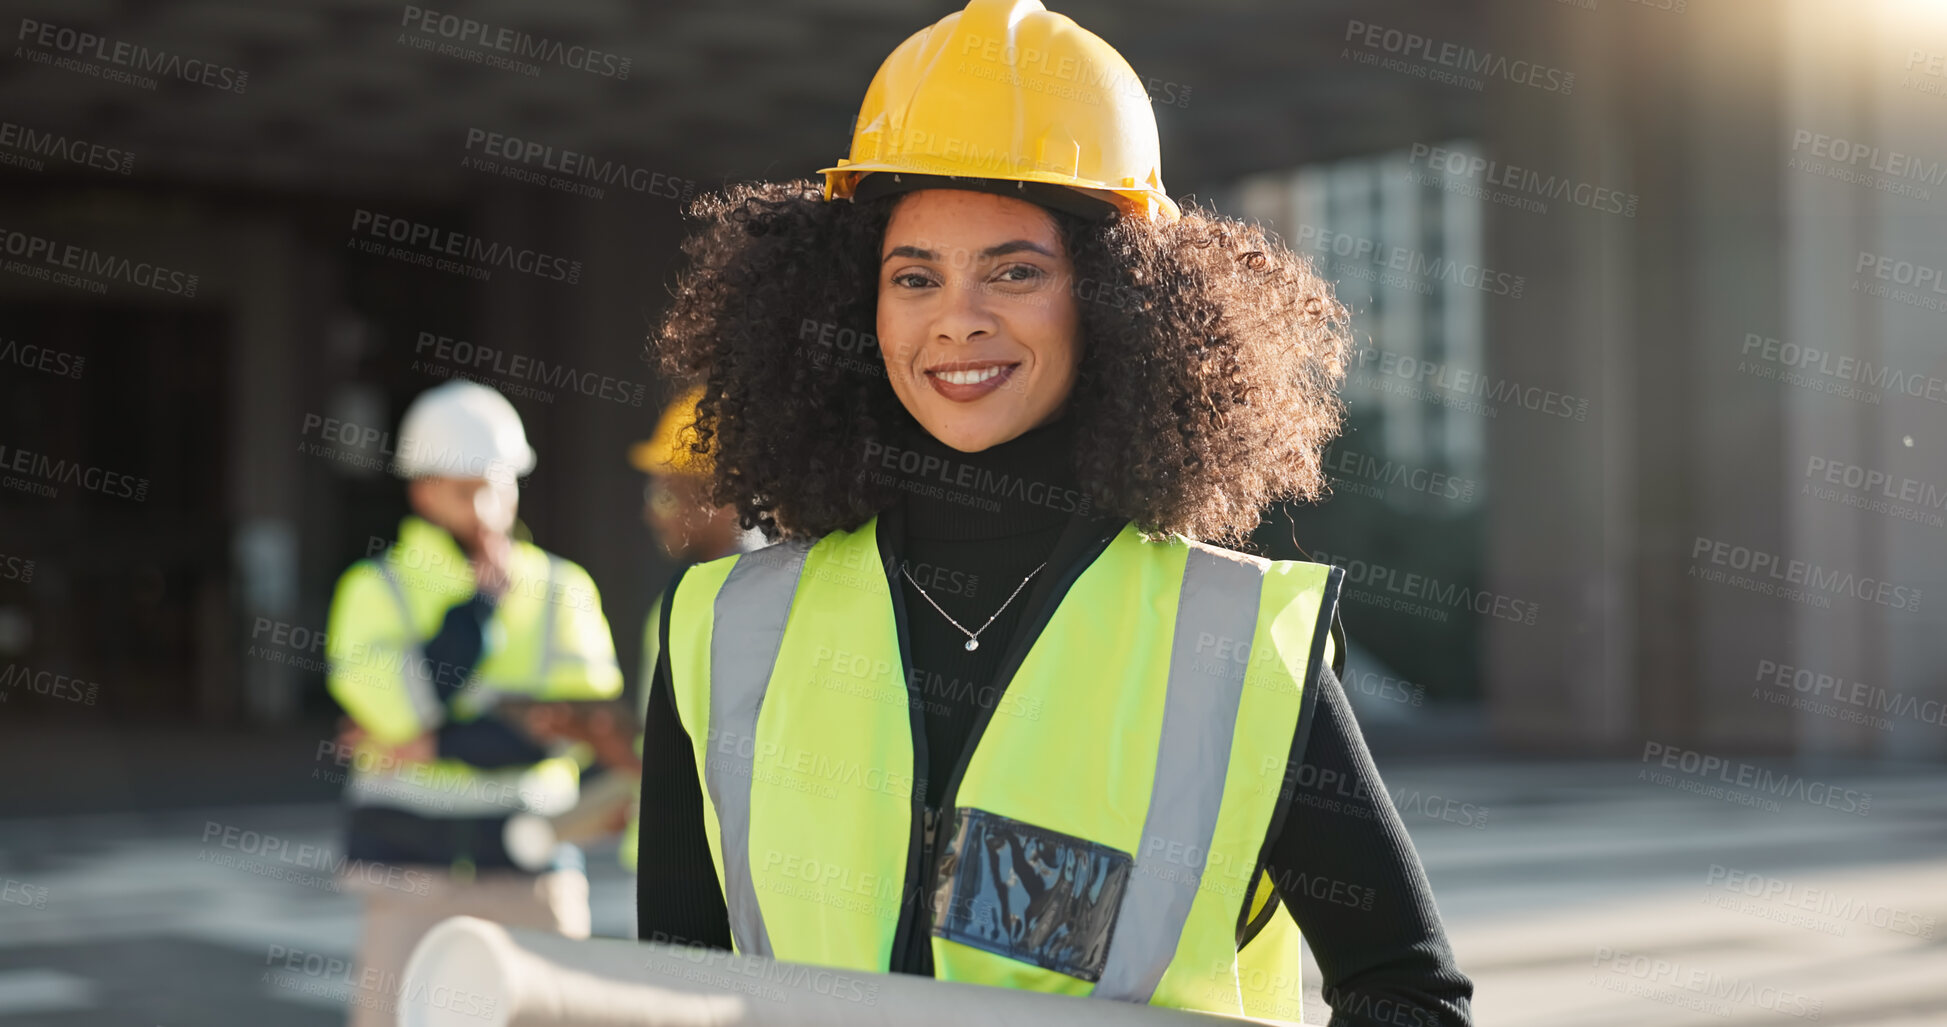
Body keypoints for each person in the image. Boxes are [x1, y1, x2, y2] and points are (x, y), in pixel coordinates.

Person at [634, 0, 1475, 1024]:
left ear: (1121, 297)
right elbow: (675, 989)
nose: (960, 319)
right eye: (914, 276)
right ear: (854, 306)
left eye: (1016, 271)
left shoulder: (1231, 640)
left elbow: (1407, 992)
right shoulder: (723, 631)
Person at [323, 379, 623, 1027]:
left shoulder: (562, 588)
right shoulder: (373, 589)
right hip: (406, 873)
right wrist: (478, 612)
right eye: (466, 490)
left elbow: (580, 727)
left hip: (534, 868)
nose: (488, 509)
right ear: (423, 491)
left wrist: (437, 744)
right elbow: (402, 709)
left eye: (500, 485)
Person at [613, 386, 765, 873]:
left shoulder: (758, 606)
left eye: (664, 494)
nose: (649, 513)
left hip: (716, 878)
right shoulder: (681, 602)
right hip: (678, 865)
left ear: (720, 496)